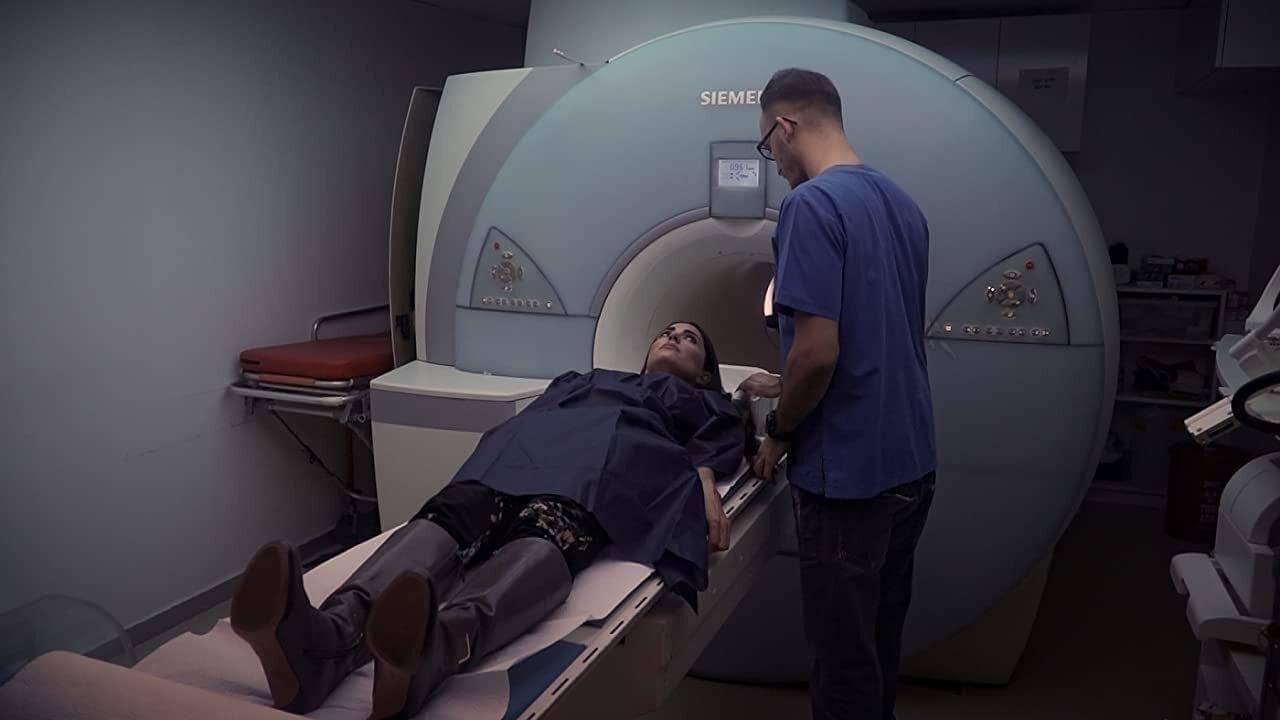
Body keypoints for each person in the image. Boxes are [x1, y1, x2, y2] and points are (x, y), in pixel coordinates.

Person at [229, 322, 750, 720]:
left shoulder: (704, 404)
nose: (673, 336)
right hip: (516, 460)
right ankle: (324, 638)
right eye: (667, 331)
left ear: (705, 373)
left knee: (548, 532)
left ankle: (434, 648)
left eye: (689, 338)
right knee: (448, 519)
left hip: (596, 480)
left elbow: (719, 443)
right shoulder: (588, 379)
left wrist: (705, 477)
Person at [747, 68, 937, 720]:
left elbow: (819, 352)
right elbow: (874, 334)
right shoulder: (903, 205)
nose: (773, 163)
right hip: (910, 463)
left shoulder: (811, 206)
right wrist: (788, 379)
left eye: (766, 146)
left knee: (842, 662)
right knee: (879, 645)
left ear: (785, 126)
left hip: (848, 479)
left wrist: (779, 429)